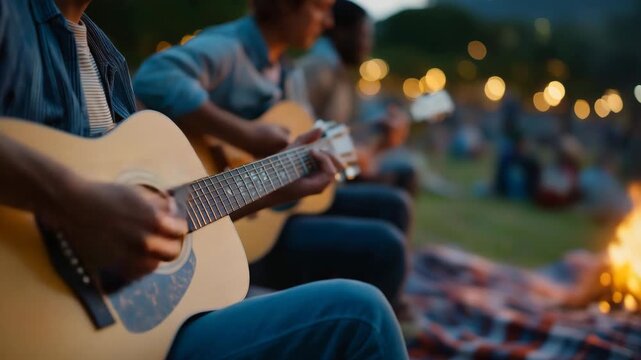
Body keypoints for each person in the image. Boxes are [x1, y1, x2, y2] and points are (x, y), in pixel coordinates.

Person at [0, 0, 409, 358]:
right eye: (319, 8)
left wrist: (272, 187)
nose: (327, 22)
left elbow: (156, 211)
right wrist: (76, 202)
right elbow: (160, 82)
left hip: (133, 321)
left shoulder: (105, 57)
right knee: (362, 316)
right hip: (41, 328)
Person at [133, 0, 412, 310]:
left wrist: (374, 148)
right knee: (385, 247)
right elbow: (154, 78)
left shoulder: (289, 74)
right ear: (284, 6)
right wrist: (245, 135)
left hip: (274, 210)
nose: (329, 22)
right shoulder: (228, 48)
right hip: (221, 225)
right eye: (321, 8)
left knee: (392, 205)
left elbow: (308, 149)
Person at [298, 0, 419, 196]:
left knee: (404, 174)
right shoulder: (318, 69)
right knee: (400, 189)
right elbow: (299, 134)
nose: (367, 46)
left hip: (328, 173)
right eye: (363, 36)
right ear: (341, 32)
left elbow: (348, 139)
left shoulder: (341, 75)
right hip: (308, 183)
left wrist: (381, 142)